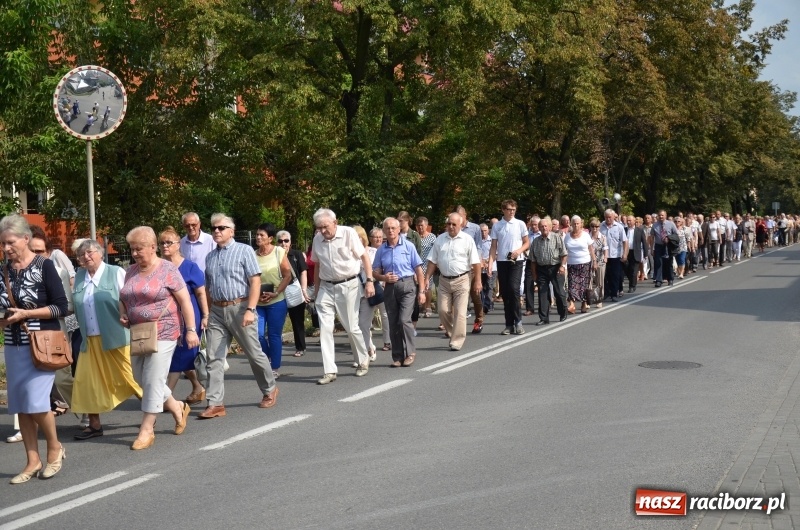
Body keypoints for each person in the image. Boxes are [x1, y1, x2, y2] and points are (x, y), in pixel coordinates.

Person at [0, 214, 69, 483]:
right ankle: (32, 460)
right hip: (13, 343)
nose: (6, 249)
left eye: (10, 242)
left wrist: (27, 315)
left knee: (38, 403)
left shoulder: (44, 265)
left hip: (41, 345)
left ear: (25, 239)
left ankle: (54, 448)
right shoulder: (3, 270)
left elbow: (61, 307)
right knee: (21, 405)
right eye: (2, 244)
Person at [119, 227, 199, 449]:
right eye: (132, 249)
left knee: (153, 379)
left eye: (139, 249)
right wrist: (123, 313)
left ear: (153, 247)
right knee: (140, 378)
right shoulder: (131, 271)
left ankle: (146, 429)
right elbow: (124, 297)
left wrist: (191, 330)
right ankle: (176, 407)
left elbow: (184, 301)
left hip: (165, 330)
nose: (135, 253)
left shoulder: (168, 269)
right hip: (139, 333)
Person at [201, 214, 279, 416]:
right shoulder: (210, 256)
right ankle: (215, 403)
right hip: (217, 311)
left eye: (221, 228)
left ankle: (270, 389)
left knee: (254, 353)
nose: (216, 231)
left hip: (240, 307)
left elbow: (255, 282)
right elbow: (209, 287)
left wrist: (251, 310)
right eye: (214, 228)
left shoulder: (244, 251)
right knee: (213, 357)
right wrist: (206, 314)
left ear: (231, 231)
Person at [71, 239, 143, 441]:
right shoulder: (79, 277)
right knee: (87, 383)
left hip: (117, 337)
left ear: (101, 253)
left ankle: (173, 407)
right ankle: (94, 425)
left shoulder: (115, 272)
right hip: (90, 339)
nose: (86, 257)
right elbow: (74, 306)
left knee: (133, 379)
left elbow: (129, 299)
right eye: (82, 254)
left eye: (90, 252)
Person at [311, 209, 374, 380]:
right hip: (326, 286)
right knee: (325, 329)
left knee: (351, 327)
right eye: (319, 227)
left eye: (325, 226)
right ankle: (329, 370)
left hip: (348, 284)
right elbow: (317, 266)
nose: (323, 231)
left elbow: (364, 257)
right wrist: (316, 292)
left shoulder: (348, 233)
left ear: (335, 222)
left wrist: (369, 281)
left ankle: (362, 360)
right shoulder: (317, 239)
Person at [158, 227, 208, 404]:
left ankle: (165, 398)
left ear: (178, 245)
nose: (165, 246)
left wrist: (205, 315)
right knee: (181, 356)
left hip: (189, 316)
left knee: (181, 354)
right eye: (162, 243)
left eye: (168, 243)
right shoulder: (160, 267)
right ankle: (198, 386)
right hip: (167, 317)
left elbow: (201, 293)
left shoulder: (190, 267)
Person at [372, 217, 425, 366]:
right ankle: (397, 357)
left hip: (407, 285)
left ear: (399, 229)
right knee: (393, 322)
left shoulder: (408, 246)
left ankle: (410, 353)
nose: (390, 231)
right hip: (389, 288)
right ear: (384, 231)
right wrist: (383, 277)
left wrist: (421, 291)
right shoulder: (381, 250)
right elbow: (375, 272)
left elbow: (419, 271)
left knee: (404, 319)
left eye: (393, 228)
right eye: (387, 228)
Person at [424, 213, 481, 351]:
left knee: (461, 313)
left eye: (454, 224)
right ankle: (452, 332)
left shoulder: (467, 240)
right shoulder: (440, 239)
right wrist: (426, 278)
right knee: (442, 310)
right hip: (444, 280)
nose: (450, 226)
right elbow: (432, 261)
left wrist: (478, 280)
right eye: (448, 224)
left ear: (460, 225)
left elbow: (476, 262)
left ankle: (457, 341)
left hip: (462, 279)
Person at [254, 223, 292, 378]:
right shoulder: (252, 254)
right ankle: (267, 358)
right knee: (258, 335)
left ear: (270, 238)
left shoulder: (278, 252)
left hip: (276, 301)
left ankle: (274, 367)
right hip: (257, 302)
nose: (257, 237)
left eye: (261, 235)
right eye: (257, 234)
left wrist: (276, 293)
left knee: (274, 335)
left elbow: (287, 275)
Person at [488, 199, 529, 335]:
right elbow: (493, 246)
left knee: (514, 289)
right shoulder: (497, 226)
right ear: (503, 210)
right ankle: (508, 324)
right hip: (502, 261)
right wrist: (490, 263)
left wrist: (518, 251)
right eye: (509, 209)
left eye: (513, 209)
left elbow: (527, 242)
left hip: (516, 261)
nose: (511, 212)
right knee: (505, 292)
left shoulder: (520, 224)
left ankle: (518, 322)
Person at [529, 217, 568, 325]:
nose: (544, 228)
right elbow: (532, 260)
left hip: (556, 267)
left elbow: (564, 254)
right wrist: (534, 274)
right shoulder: (536, 241)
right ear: (539, 228)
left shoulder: (556, 238)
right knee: (543, 293)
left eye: (545, 226)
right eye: (541, 226)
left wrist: (562, 266)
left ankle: (563, 313)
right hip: (541, 269)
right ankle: (544, 318)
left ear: (550, 227)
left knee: (559, 292)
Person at [276, 230, 309, 358]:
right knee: (277, 321)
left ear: (290, 242)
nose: (283, 243)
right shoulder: (274, 255)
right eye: (280, 240)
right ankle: (275, 348)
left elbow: (303, 272)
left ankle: (300, 347)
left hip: (294, 290)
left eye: (286, 240)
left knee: (297, 321)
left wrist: (304, 290)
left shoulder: (296, 254)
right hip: (279, 292)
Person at [353, 225, 378, 364]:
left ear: (362, 238)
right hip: (352, 292)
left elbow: (375, 269)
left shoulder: (373, 252)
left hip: (368, 290)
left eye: (356, 238)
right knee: (354, 325)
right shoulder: (348, 254)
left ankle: (368, 350)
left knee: (363, 324)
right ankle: (363, 352)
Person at [564, 216, 595, 314]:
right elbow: (564, 251)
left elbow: (591, 249)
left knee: (583, 286)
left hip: (585, 263)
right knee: (572, 285)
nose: (576, 225)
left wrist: (594, 261)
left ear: (581, 224)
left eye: (578, 223)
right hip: (572, 264)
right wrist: (563, 264)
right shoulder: (567, 236)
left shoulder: (585, 235)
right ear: (571, 224)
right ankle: (572, 305)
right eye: (574, 223)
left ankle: (583, 304)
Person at [369, 227, 391, 352]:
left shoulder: (386, 250)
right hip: (371, 286)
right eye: (375, 237)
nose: (378, 239)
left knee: (385, 315)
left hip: (384, 286)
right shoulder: (367, 251)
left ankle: (387, 341)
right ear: (370, 239)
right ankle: (368, 343)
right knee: (367, 316)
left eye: (380, 237)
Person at [600, 209, 627, 301]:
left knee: (615, 275)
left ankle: (614, 294)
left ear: (613, 217)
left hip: (615, 255)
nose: (608, 219)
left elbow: (625, 241)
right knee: (605, 275)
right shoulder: (601, 226)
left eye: (610, 217)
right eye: (606, 217)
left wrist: (625, 254)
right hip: (604, 256)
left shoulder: (619, 227)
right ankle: (606, 292)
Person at [649, 210, 679, 287]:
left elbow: (676, 235)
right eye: (659, 215)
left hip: (668, 246)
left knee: (669, 263)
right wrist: (652, 248)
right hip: (658, 246)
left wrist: (669, 238)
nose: (661, 217)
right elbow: (652, 237)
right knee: (658, 262)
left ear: (665, 216)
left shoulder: (671, 224)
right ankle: (659, 280)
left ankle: (670, 279)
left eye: (662, 215)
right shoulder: (655, 225)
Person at [415, 217, 437, 318]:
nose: (420, 227)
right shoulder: (415, 236)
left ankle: (427, 307)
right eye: (418, 226)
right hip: (416, 265)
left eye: (422, 225)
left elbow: (436, 251)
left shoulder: (432, 237)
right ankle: (421, 306)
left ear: (426, 226)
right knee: (419, 286)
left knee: (427, 287)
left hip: (428, 265)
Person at [624, 215, 648, 293]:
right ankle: (633, 281)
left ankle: (632, 286)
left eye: (630, 220)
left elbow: (644, 242)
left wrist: (645, 253)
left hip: (636, 252)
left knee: (634, 271)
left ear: (634, 221)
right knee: (627, 269)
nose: (628, 222)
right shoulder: (624, 230)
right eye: (627, 220)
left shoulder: (639, 230)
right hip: (626, 252)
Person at [589, 218, 608, 308]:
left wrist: (605, 257)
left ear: (599, 227)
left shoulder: (603, 237)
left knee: (599, 282)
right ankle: (588, 300)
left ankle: (599, 300)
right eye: (592, 226)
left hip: (600, 261)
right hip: (589, 261)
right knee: (589, 281)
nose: (594, 228)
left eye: (596, 226)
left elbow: (605, 249)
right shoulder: (587, 237)